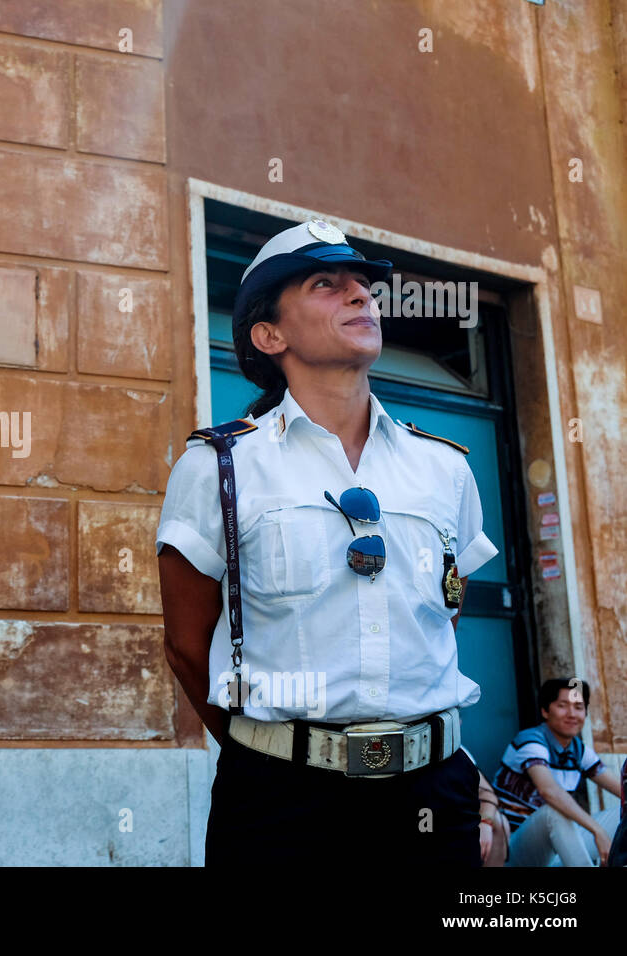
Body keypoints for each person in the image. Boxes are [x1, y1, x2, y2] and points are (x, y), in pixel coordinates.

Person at [157, 218, 500, 866]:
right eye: (325, 284)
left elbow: (438, 632)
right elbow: (184, 646)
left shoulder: (445, 469)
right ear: (270, 334)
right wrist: (271, 753)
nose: (359, 295)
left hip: (434, 796)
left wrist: (469, 782)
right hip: (280, 803)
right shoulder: (219, 469)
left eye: (364, 286)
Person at [493, 678, 622, 866]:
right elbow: (550, 792)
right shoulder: (531, 740)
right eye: (563, 705)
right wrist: (597, 831)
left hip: (560, 850)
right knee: (554, 812)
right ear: (545, 711)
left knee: (623, 810)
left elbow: (621, 789)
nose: (572, 714)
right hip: (516, 848)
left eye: (579, 707)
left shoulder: (578, 750)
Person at [461, 745, 510, 866]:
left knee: (497, 820)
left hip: (461, 820)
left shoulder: (457, 749)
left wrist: (485, 822)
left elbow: (487, 793)